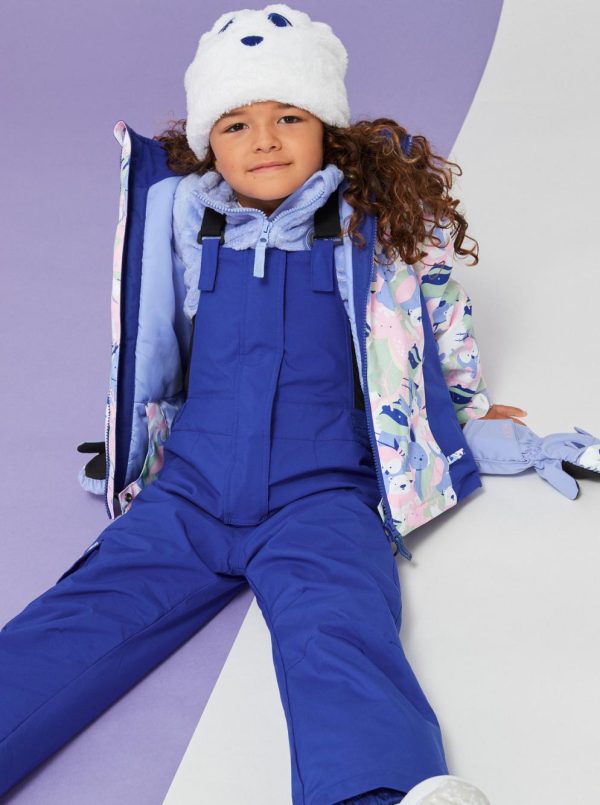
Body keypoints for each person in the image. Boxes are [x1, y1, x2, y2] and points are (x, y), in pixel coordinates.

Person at [2, 4, 598, 803]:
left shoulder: (365, 227)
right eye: (237, 124)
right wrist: (136, 441)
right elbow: (155, 343)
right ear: (209, 142)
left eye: (289, 116)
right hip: (189, 494)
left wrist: (467, 408)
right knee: (80, 614)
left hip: (320, 499)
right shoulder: (189, 223)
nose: (265, 140)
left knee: (340, 637)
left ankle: (377, 792)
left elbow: (432, 314)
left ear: (326, 127)